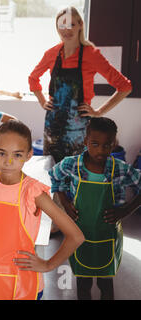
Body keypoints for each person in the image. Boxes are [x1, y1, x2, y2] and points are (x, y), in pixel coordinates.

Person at [0, 120, 84, 300]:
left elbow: (76, 236)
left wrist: (48, 265)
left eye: (17, 154)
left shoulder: (32, 192)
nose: (8, 161)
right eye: (2, 153)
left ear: (28, 155)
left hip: (23, 284)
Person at [49, 117, 141, 300]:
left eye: (107, 145)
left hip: (106, 236)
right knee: (83, 283)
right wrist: (65, 203)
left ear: (114, 144)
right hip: (78, 235)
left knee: (105, 284)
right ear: (85, 141)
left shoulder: (120, 169)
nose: (100, 151)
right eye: (95, 144)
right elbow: (55, 178)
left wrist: (125, 210)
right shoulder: (71, 165)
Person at [29, 6, 132, 163]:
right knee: (51, 171)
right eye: (61, 25)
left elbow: (125, 87)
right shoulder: (52, 54)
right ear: (57, 28)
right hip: (53, 126)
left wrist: (98, 112)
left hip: (79, 130)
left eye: (71, 24)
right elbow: (33, 78)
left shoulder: (92, 55)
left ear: (80, 25)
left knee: (77, 170)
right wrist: (42, 101)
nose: (67, 30)